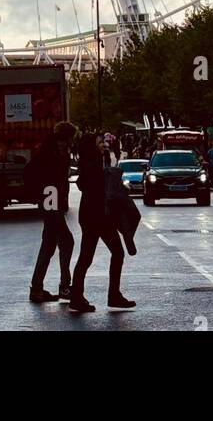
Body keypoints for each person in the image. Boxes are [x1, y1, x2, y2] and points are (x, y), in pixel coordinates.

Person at [69, 133, 135, 314]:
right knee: (95, 255)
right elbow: (87, 185)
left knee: (90, 256)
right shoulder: (93, 163)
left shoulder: (94, 161)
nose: (103, 145)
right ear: (92, 146)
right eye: (100, 142)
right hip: (96, 215)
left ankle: (81, 296)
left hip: (94, 215)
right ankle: (106, 295)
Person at [27, 120, 77, 304]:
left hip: (50, 197)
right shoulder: (54, 152)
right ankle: (64, 286)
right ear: (66, 137)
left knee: (49, 244)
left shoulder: (50, 148)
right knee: (66, 241)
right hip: (51, 197)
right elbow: (55, 178)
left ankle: (37, 288)